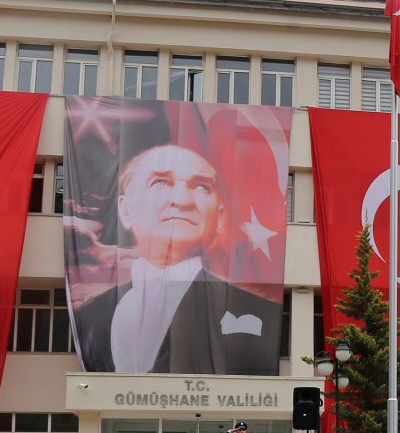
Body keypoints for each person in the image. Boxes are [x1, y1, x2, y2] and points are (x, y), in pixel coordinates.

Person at [73, 143, 281, 375]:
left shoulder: (261, 313)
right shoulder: (87, 316)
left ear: (219, 217)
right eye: (161, 182)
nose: (182, 201)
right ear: (126, 209)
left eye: (201, 187)